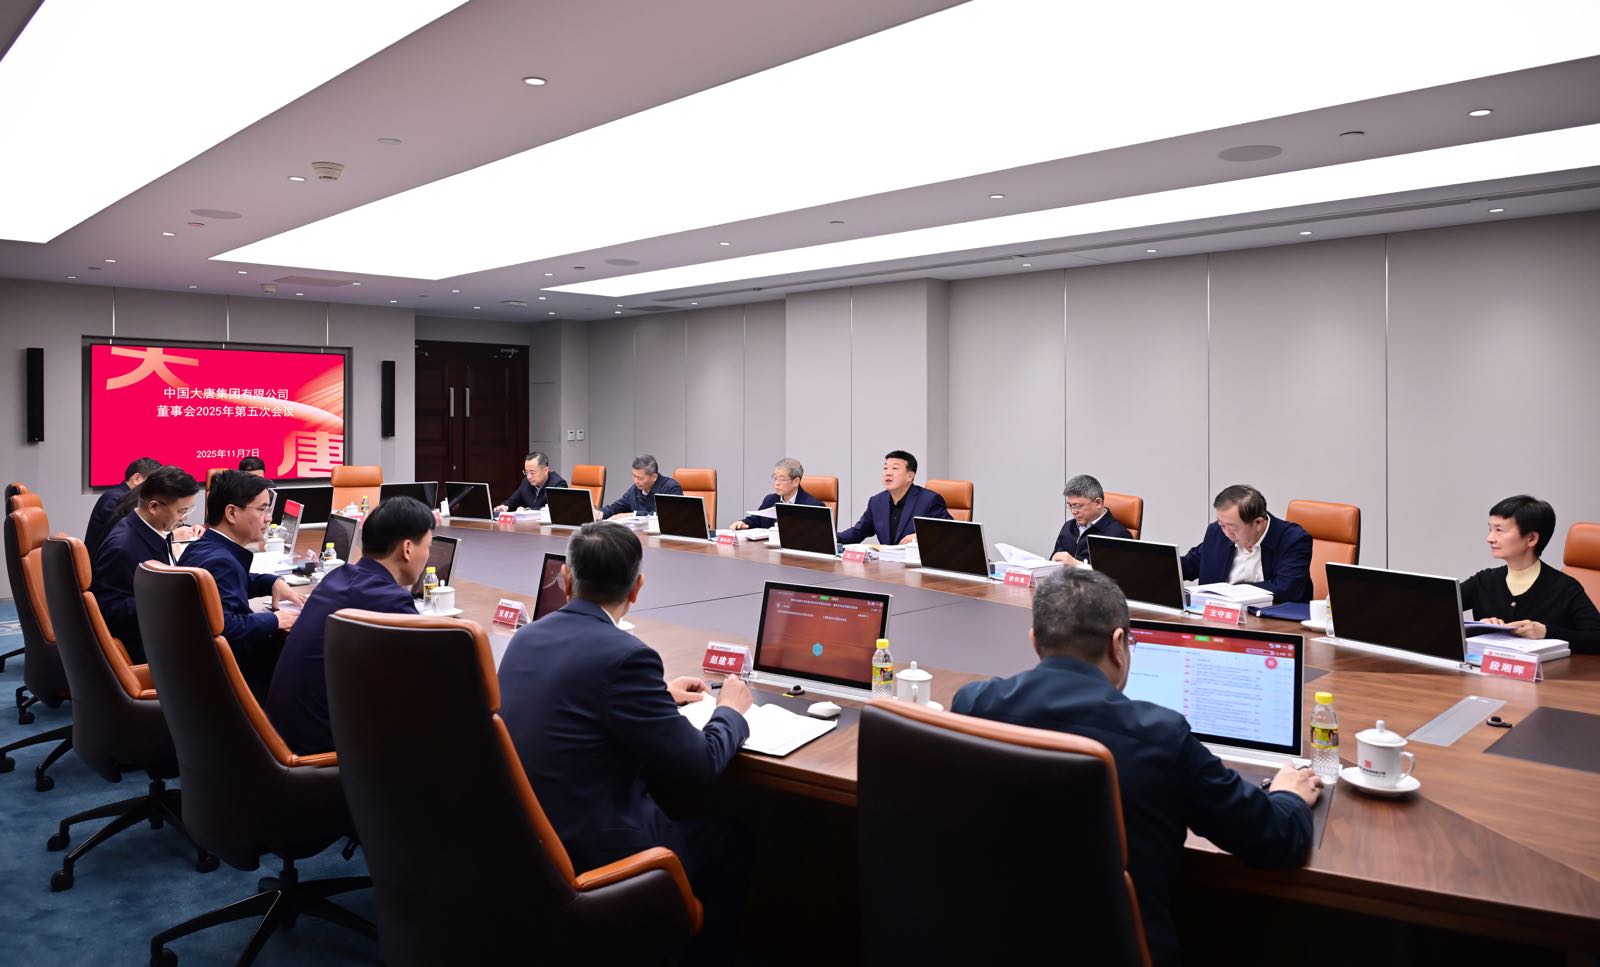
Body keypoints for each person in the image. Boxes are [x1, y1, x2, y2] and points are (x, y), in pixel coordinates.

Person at [953, 568, 1319, 967]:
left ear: (1034, 641)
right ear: (1118, 644)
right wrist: (1289, 795)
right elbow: (1273, 840)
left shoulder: (974, 705)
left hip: (991, 942)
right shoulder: (1160, 736)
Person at [498, 521, 753, 951]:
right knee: (730, 839)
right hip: (592, 851)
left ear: (565, 578)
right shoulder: (627, 656)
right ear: (637, 587)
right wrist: (730, 709)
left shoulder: (526, 637)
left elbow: (581, 700)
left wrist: (658, 697)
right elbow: (701, 763)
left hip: (523, 844)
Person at [268, 496, 436, 754]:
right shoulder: (389, 600)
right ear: (407, 549)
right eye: (428, 547)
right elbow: (429, 679)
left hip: (281, 741)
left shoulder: (338, 577)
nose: (428, 556)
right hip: (322, 756)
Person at [178, 471, 305, 699]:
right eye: (262, 509)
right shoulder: (222, 562)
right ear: (232, 513)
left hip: (197, 671)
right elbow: (224, 626)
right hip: (233, 685)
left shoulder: (203, 546)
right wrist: (275, 620)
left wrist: (271, 582)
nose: (268, 518)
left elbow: (222, 587)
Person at [1460, 495, 1600, 653]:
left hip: (1546, 669)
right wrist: (1477, 628)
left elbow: (1596, 638)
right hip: (1486, 667)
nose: (1490, 538)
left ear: (1531, 539)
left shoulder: (1565, 588)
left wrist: (1546, 632)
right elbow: (1439, 611)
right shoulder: (1483, 581)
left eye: (1499, 530)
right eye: (1490, 529)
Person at [91, 466, 201, 663]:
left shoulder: (148, 529)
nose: (185, 518)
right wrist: (169, 598)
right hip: (145, 646)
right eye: (181, 511)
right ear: (154, 507)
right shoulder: (123, 547)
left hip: (156, 631)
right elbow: (109, 610)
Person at [1180, 484, 1313, 603]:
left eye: (1232, 527)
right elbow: (1190, 565)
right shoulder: (1216, 532)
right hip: (1219, 616)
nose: (1227, 533)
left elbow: (1287, 589)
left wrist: (1231, 591)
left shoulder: (1293, 539)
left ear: (1258, 523)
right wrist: (1168, 562)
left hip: (1273, 617)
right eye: (1222, 524)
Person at [836, 450, 950, 546]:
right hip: (887, 563)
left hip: (917, 563)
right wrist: (832, 538)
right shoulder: (876, 502)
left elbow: (950, 532)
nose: (888, 473)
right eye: (885, 468)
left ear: (910, 476)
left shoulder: (929, 500)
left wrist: (922, 536)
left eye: (895, 468)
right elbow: (858, 532)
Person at [85, 457, 161, 558]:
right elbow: (130, 536)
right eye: (153, 484)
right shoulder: (116, 499)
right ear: (137, 479)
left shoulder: (118, 495)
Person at [1051, 473, 1133, 566]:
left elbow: (1120, 573)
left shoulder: (1118, 535)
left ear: (1098, 503)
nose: (1073, 512)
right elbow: (1053, 561)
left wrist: (1079, 566)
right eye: (1070, 505)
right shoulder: (1068, 527)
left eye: (1078, 506)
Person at [730, 457, 824, 530]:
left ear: (796, 482)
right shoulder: (770, 500)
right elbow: (755, 520)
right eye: (775, 478)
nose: (777, 483)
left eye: (781, 479)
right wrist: (743, 523)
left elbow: (819, 537)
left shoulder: (813, 506)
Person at [599, 453, 683, 518]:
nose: (636, 481)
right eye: (634, 476)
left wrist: (633, 515)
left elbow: (667, 515)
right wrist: (600, 513)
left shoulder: (671, 488)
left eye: (640, 478)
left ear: (654, 477)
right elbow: (616, 507)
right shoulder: (635, 489)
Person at [493, 451, 568, 514]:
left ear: (545, 471)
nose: (529, 477)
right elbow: (513, 500)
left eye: (532, 472)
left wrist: (527, 510)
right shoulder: (526, 482)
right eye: (526, 472)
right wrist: (505, 506)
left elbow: (555, 510)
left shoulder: (558, 484)